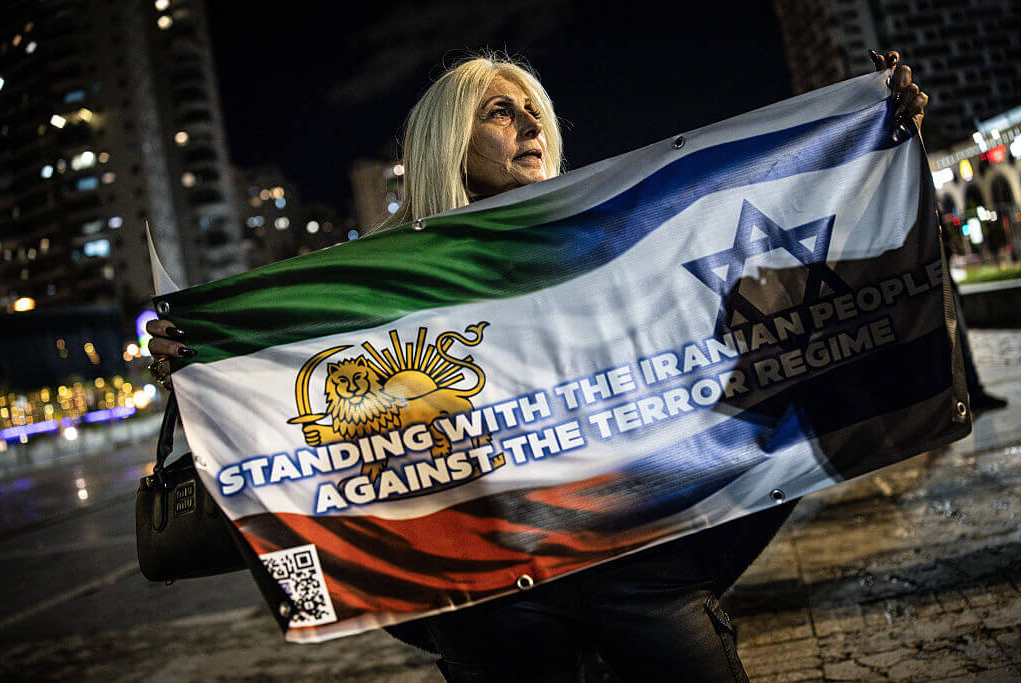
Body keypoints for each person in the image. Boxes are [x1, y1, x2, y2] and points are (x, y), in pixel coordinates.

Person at [147, 49, 929, 681]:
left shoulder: (608, 240)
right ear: (448, 143)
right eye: (499, 111)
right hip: (494, 609)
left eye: (534, 112)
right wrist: (202, 363)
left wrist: (874, 140)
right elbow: (298, 416)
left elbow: (738, 324)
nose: (529, 124)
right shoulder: (370, 290)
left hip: (644, 573)